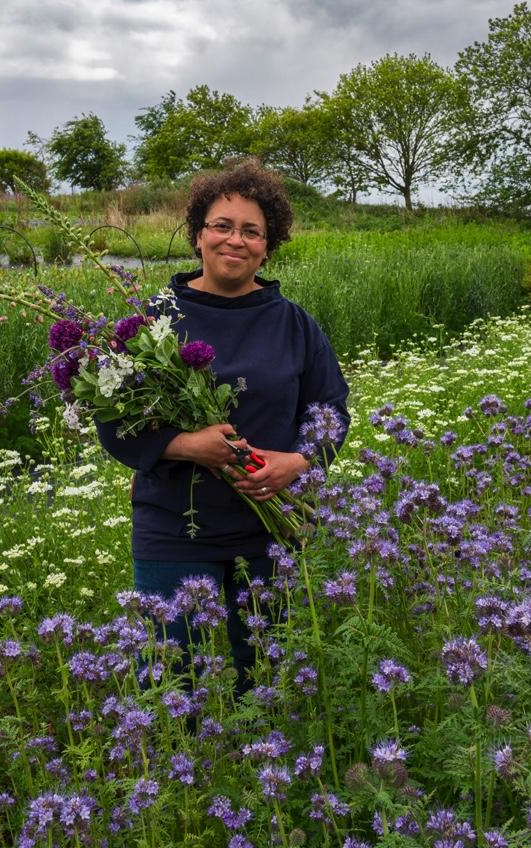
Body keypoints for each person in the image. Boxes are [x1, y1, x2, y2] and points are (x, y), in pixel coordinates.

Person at [96, 160, 349, 694]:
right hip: (172, 530)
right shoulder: (151, 322)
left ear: (268, 244)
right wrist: (187, 445)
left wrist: (297, 462)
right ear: (197, 235)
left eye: (252, 230)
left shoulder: (295, 324)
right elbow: (113, 425)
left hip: (271, 532)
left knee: (269, 684)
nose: (236, 240)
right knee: (167, 686)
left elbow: (332, 410)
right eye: (221, 225)